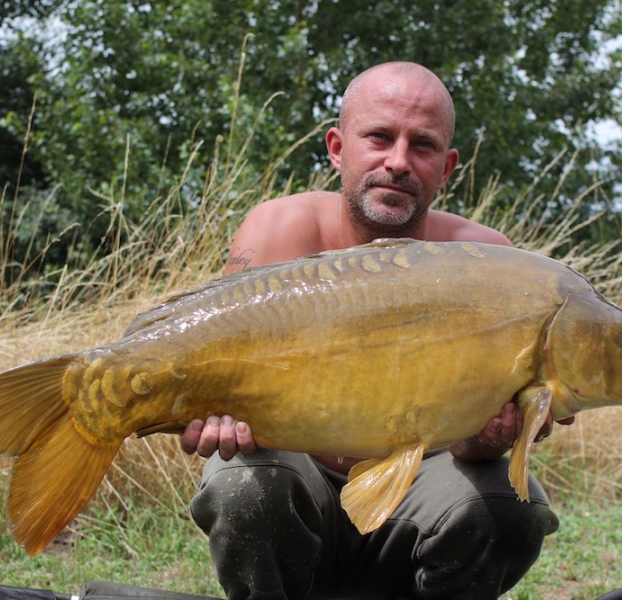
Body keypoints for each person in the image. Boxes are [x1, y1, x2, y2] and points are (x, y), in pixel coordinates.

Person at [180, 61, 571, 600]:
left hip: (417, 496)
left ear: (448, 166)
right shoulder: (280, 230)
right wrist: (211, 410)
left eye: (423, 145)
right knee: (244, 485)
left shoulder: (490, 264)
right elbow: (217, 364)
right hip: (301, 491)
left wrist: (490, 437)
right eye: (380, 137)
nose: (398, 162)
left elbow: (474, 453)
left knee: (507, 507)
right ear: (338, 148)